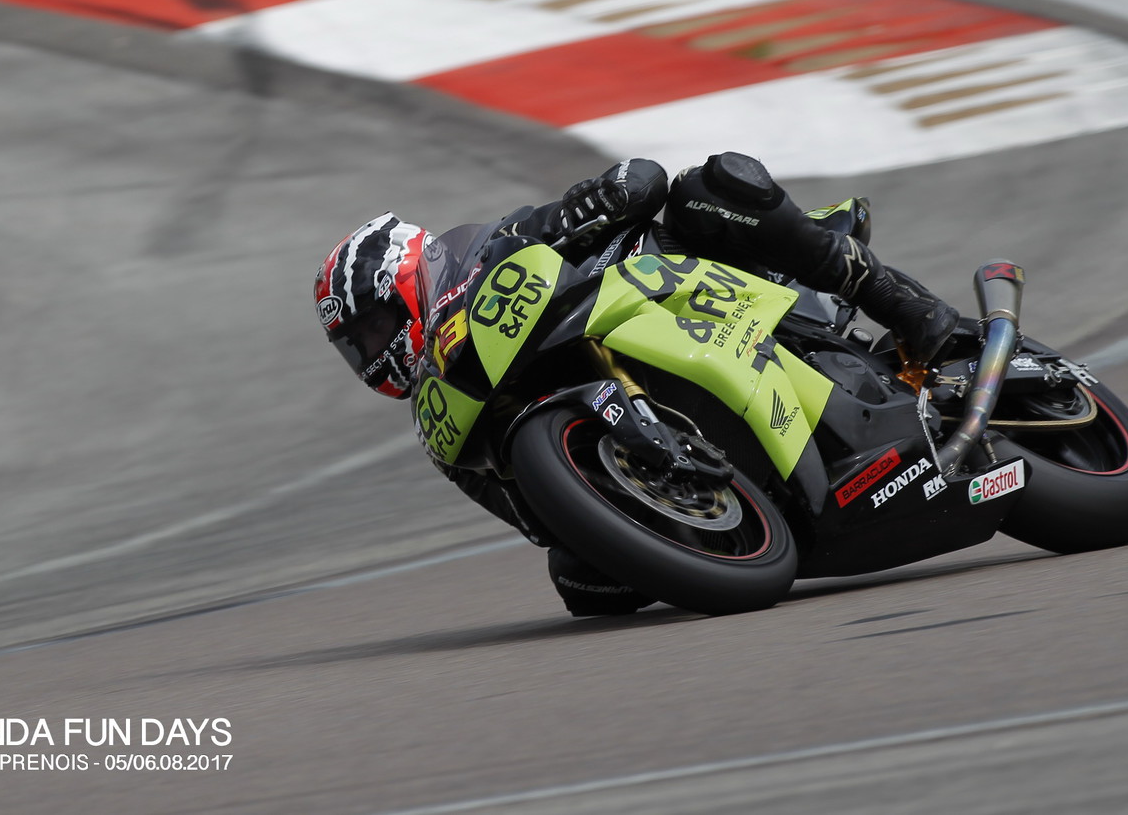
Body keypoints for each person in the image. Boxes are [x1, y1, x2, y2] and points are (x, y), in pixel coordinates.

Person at [313, 153, 959, 616]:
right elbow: (534, 521)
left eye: (375, 330)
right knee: (581, 585)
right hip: (645, 418)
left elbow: (641, 177)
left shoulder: (499, 247)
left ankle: (903, 304)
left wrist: (602, 199)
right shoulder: (446, 418)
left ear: (409, 278)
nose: (373, 355)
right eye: (357, 349)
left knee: (710, 184)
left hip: (691, 288)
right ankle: (730, 507)